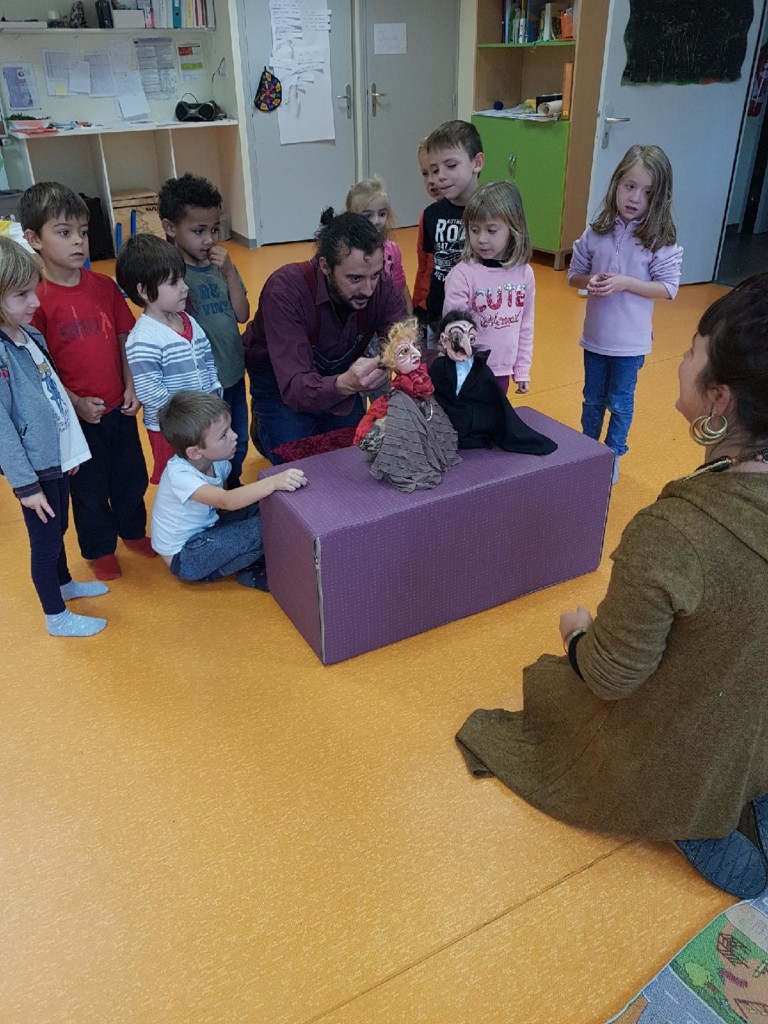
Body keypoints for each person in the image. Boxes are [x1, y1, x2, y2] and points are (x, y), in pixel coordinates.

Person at [456, 273, 768, 900]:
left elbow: (611, 676)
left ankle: (709, 831)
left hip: (694, 743)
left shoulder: (675, 532)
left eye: (690, 351)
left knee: (553, 686)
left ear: (721, 398)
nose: (676, 358)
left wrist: (579, 636)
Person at [19, 181, 153, 582]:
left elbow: (123, 338)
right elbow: (40, 368)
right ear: (33, 239)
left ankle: (132, 530)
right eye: (64, 233)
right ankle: (99, 548)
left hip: (118, 407)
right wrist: (75, 402)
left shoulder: (103, 286)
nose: (78, 241)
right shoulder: (36, 299)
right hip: (78, 420)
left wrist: (132, 385)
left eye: (82, 231)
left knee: (131, 474)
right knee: (90, 490)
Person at [0, 237, 107, 637]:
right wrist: (25, 486)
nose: (35, 303)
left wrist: (69, 449)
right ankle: (55, 616)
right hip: (34, 469)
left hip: (56, 457)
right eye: (22, 295)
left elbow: (53, 394)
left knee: (60, 527)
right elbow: (3, 430)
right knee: (44, 542)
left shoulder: (28, 336)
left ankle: (64, 583)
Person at [243, 208, 406, 464]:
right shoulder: (285, 289)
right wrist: (348, 384)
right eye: (355, 278)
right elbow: (295, 387)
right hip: (280, 382)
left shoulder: (380, 285)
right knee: (294, 460)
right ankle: (264, 424)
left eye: (374, 275)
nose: (368, 288)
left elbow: (405, 338)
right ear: (325, 266)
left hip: (338, 373)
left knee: (351, 455)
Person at [567, 144, 683, 484]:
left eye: (647, 192)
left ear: (659, 198)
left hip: (630, 345)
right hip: (596, 338)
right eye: (629, 186)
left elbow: (668, 288)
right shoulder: (597, 231)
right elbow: (574, 275)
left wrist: (628, 283)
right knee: (592, 399)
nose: (635, 198)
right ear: (616, 184)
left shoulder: (660, 241)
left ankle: (613, 453)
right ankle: (587, 450)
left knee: (619, 403)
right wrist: (595, 280)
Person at [151, 391, 307, 590]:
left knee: (267, 509)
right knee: (263, 527)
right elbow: (226, 501)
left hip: (209, 527)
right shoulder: (180, 476)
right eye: (223, 435)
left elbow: (225, 504)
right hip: (186, 557)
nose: (234, 436)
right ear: (195, 452)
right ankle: (248, 569)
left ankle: (246, 554)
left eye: (230, 428)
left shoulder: (218, 461)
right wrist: (273, 482)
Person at [158, 173, 251, 487]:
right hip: (200, 388)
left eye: (214, 229)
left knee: (238, 441)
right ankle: (213, 497)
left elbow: (242, 314)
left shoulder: (221, 265)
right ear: (171, 228)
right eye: (198, 231)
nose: (209, 240)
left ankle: (233, 488)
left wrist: (228, 272)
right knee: (207, 449)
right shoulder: (171, 277)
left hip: (233, 375)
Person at [116, 234, 221, 485]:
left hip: (202, 422)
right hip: (171, 432)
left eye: (182, 278)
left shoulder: (188, 321)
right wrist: (189, 418)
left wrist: (214, 400)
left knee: (205, 474)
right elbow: (152, 392)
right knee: (179, 481)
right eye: (174, 282)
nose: (184, 287)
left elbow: (207, 362)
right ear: (143, 291)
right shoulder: (143, 338)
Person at [443, 180, 535, 396]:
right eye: (474, 230)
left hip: (502, 369)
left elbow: (526, 325)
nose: (481, 239)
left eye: (491, 230)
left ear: (513, 229)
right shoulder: (463, 274)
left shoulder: (524, 274)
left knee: (495, 421)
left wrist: (522, 368)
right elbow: (453, 327)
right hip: (468, 368)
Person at [353, 317, 460, 492]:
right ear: (393, 362)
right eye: (404, 352)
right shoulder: (398, 401)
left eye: (414, 347)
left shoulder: (422, 383)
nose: (416, 354)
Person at [430, 309, 557, 455]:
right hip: (446, 434)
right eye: (457, 337)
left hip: (477, 435)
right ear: (444, 340)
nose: (465, 345)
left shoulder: (480, 370)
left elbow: (498, 404)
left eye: (470, 339)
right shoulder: (438, 367)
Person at [420, 120, 485, 336]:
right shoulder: (431, 215)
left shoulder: (493, 214)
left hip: (481, 320)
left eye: (451, 166)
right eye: (434, 170)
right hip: (438, 317)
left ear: (477, 163)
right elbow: (431, 268)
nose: (440, 176)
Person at [346, 176, 412, 314]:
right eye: (368, 216)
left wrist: (409, 316)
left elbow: (401, 286)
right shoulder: (347, 252)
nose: (376, 221)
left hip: (387, 313)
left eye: (382, 214)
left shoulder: (392, 250)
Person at [413, 138, 441, 327]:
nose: (431, 180)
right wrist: (417, 304)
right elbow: (424, 266)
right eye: (425, 173)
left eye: (436, 171)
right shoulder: (428, 216)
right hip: (429, 308)